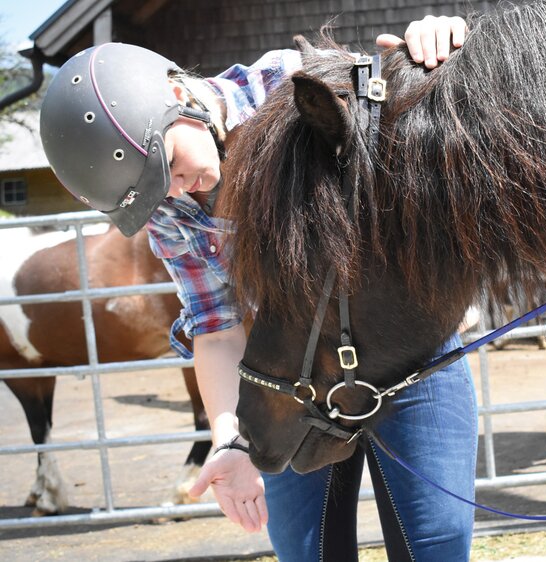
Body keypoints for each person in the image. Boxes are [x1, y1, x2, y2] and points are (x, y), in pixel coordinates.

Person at [40, 15, 475, 561]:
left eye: (168, 166)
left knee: (435, 542)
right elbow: (215, 326)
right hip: (287, 380)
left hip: (409, 359)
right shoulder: (169, 208)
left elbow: (416, 115)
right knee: (305, 549)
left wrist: (438, 42)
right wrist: (229, 439)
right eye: (153, 191)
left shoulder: (293, 88)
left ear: (179, 94)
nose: (175, 191)